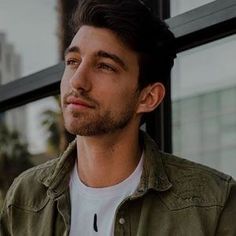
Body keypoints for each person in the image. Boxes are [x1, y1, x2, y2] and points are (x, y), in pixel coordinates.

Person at [1, 0, 236, 235]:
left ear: (148, 97)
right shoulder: (25, 197)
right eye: (73, 62)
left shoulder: (213, 205)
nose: (77, 81)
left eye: (104, 66)